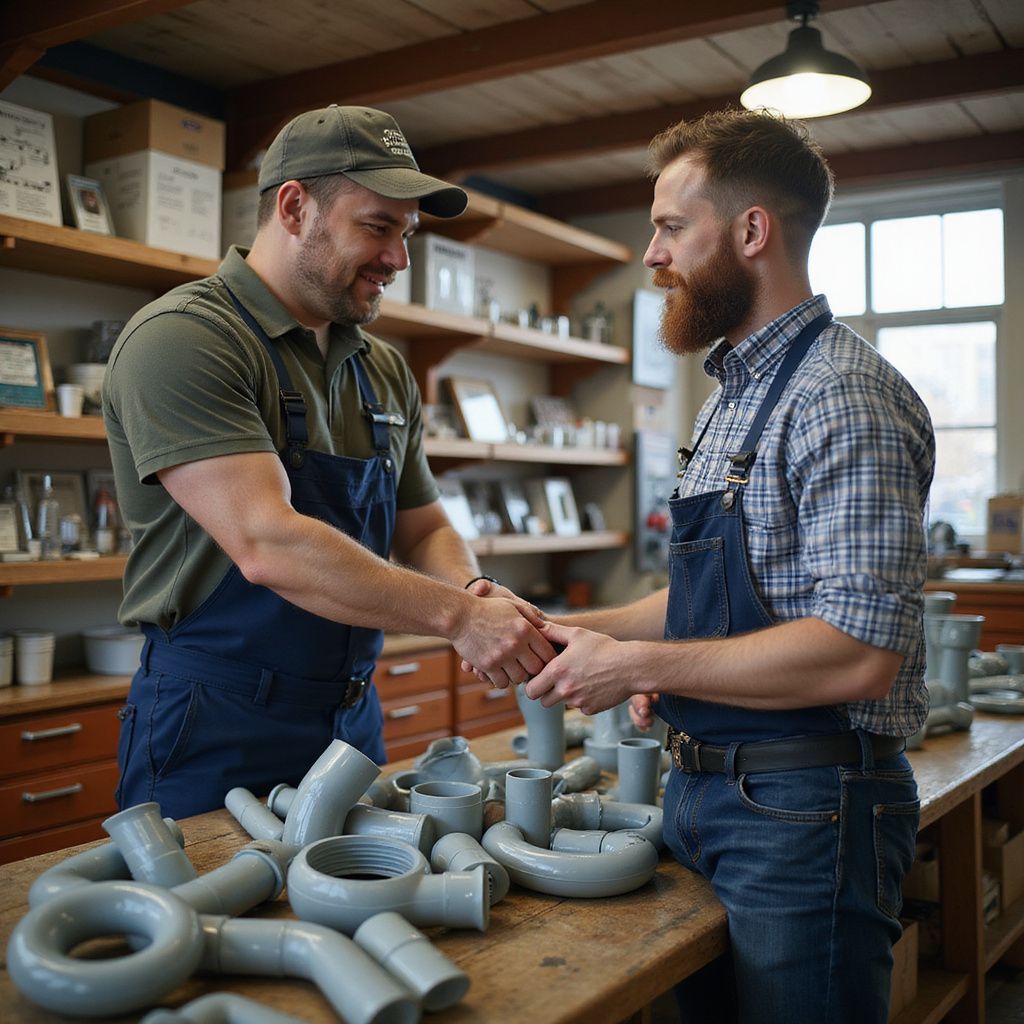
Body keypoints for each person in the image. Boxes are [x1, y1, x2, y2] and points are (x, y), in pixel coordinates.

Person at [524, 109, 935, 1024]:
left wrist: (635, 666)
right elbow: (713, 605)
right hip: (710, 791)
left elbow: (857, 652)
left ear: (752, 232)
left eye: (672, 226)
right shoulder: (735, 397)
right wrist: (567, 630)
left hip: (807, 808)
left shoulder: (842, 396)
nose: (650, 254)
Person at [104, 104, 555, 820]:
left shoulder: (382, 366)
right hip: (216, 721)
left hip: (350, 719)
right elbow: (266, 541)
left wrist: (475, 591)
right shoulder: (186, 339)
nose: (399, 260)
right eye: (377, 227)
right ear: (293, 207)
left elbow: (424, 527)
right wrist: (458, 618)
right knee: (207, 922)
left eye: (405, 234)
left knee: (354, 914)